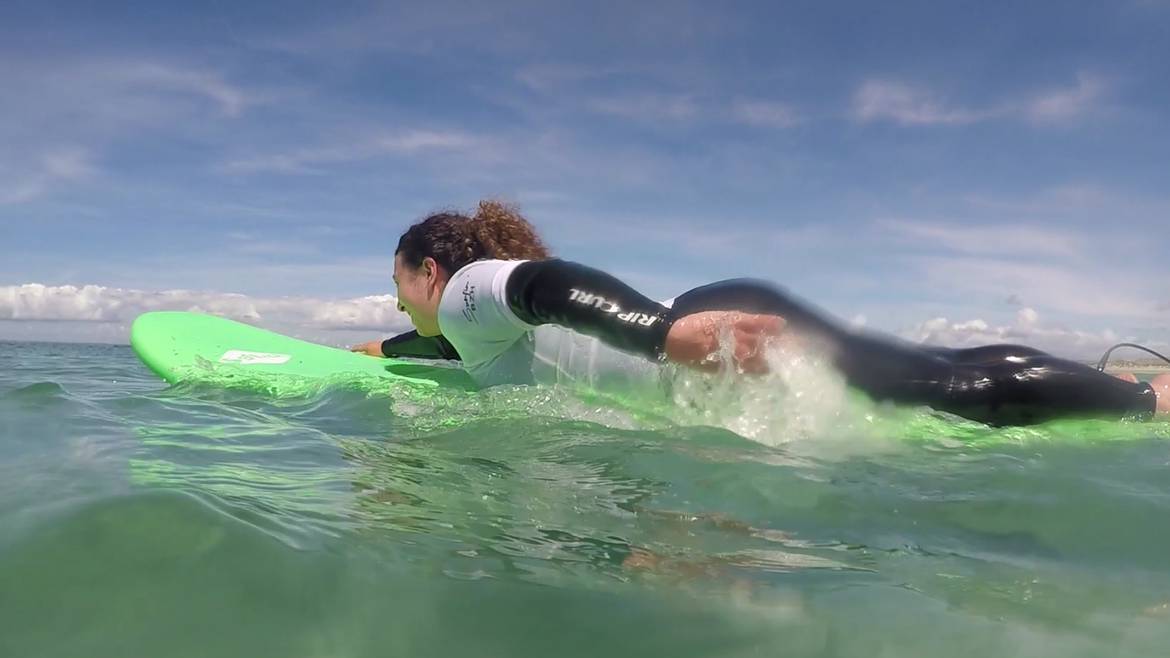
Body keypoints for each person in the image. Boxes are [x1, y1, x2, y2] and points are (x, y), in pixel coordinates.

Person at [353, 201, 1169, 427]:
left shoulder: (473, 293)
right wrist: (385, 349)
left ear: (434, 272)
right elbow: (450, 348)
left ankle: (1147, 400)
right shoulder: (465, 330)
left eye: (400, 288)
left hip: (707, 330)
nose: (400, 305)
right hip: (712, 318)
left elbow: (549, 285)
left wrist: (662, 337)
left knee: (945, 390)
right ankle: (1123, 386)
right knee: (925, 368)